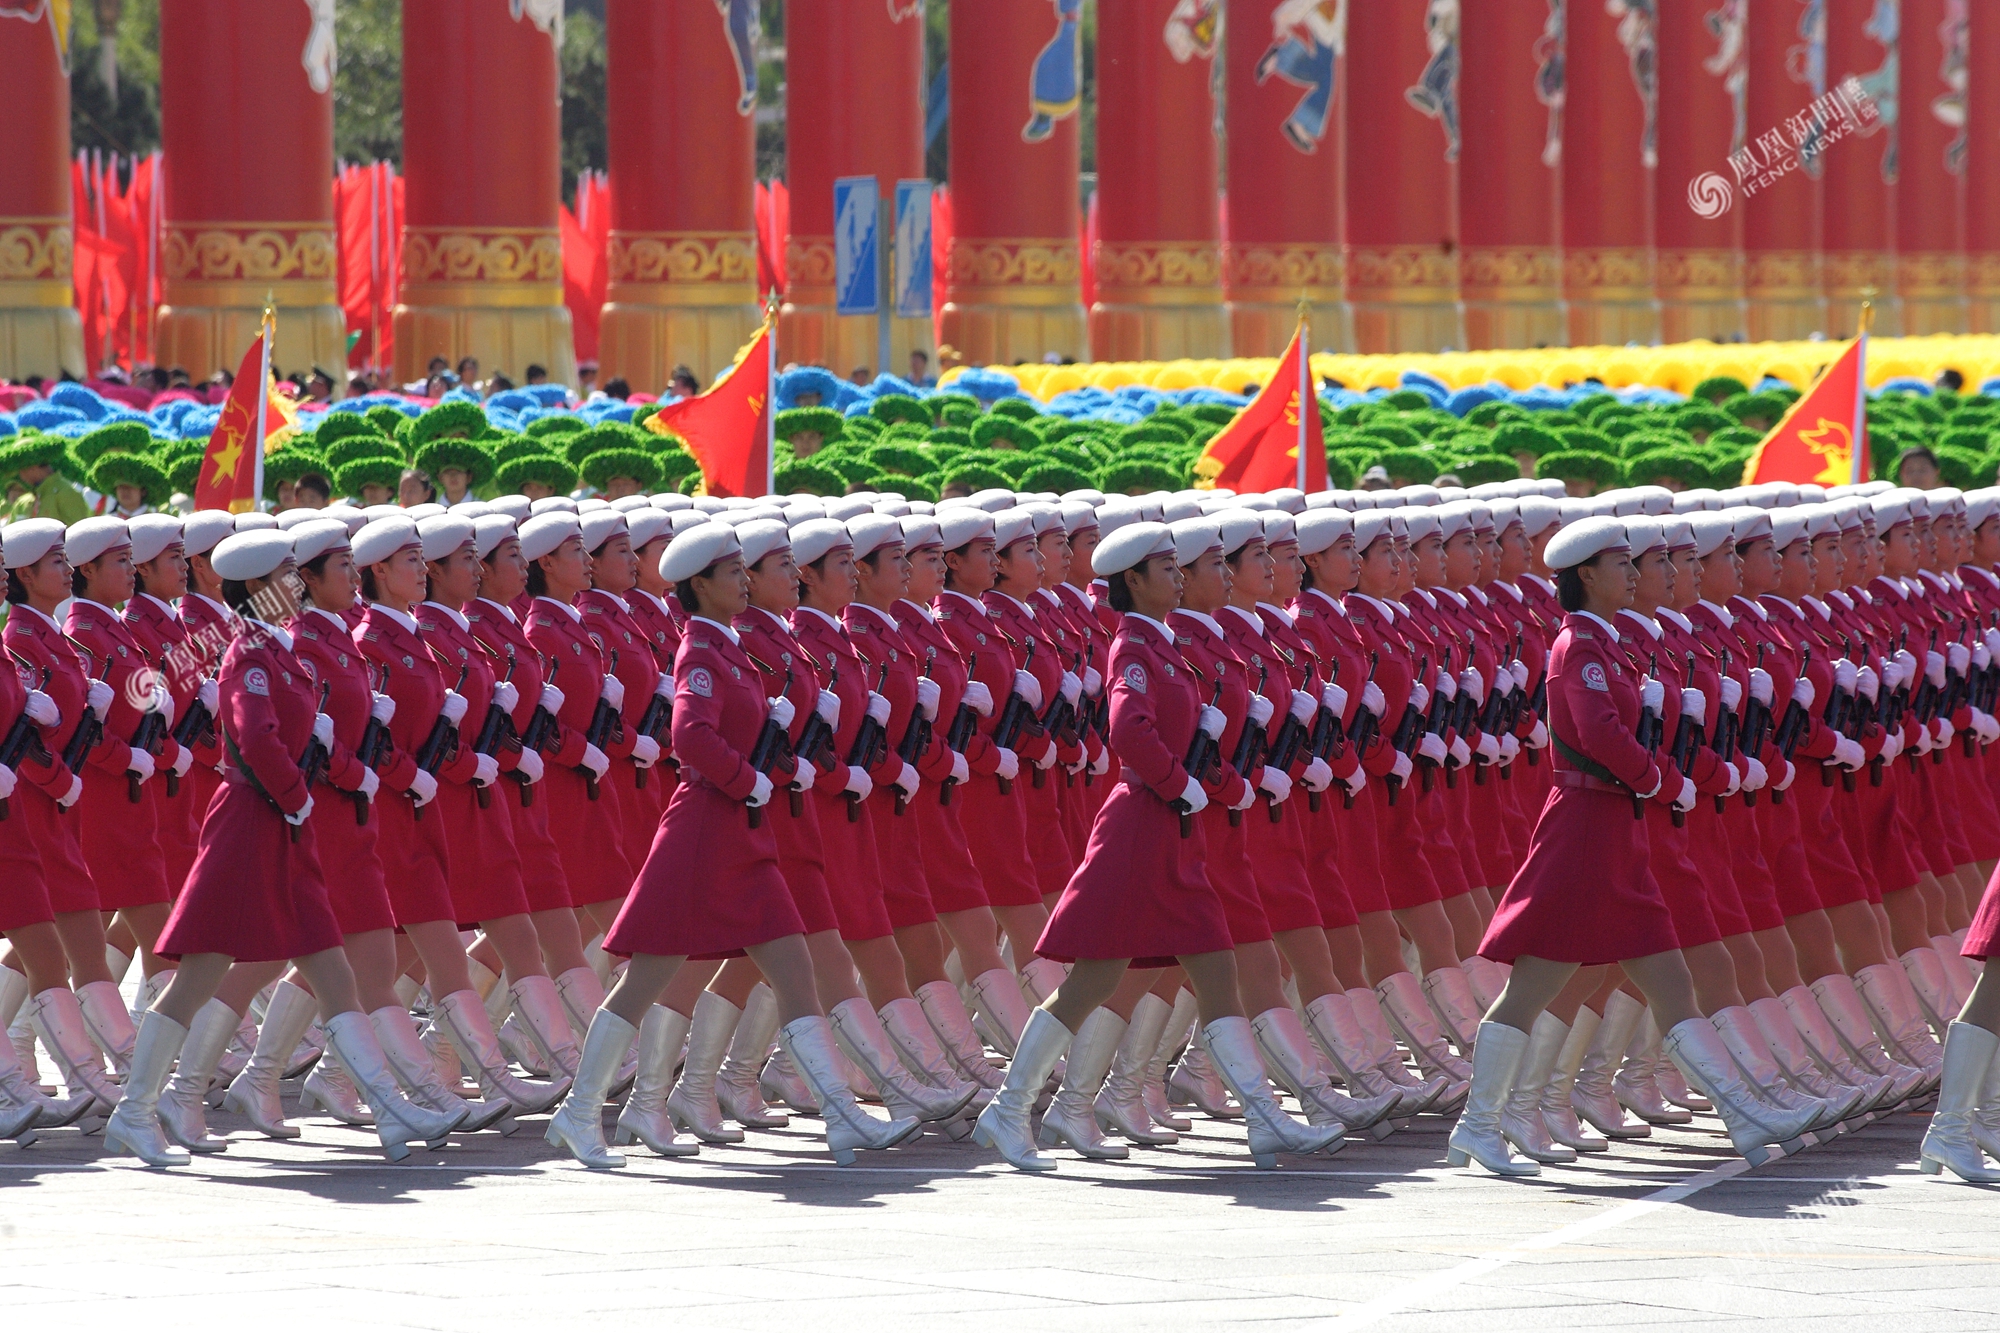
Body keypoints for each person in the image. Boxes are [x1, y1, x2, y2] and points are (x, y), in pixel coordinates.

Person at [1451, 516, 1824, 1176]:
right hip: (1586, 829)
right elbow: (1598, 732)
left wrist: (1658, 779)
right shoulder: (1580, 647)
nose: (1633, 571)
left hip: (1615, 827)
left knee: (1672, 980)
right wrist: (1659, 779)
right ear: (1585, 575)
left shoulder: (1607, 644)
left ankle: (1743, 1113)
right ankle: (1479, 1125)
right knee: (1532, 985)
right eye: (1619, 563)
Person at [544, 521, 922, 1168]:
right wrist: (749, 778)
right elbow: (691, 735)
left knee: (795, 968)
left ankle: (841, 1114)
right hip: (703, 835)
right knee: (647, 980)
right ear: (700, 586)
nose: (744, 582)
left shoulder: (730, 648)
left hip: (741, 835)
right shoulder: (702, 652)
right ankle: (579, 1113)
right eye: (732, 574)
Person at [973, 520, 1343, 1172]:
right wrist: (1180, 785)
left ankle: (1264, 1117)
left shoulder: (1165, 647)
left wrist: (1217, 788)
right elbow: (1128, 728)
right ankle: (1009, 1111)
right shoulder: (1134, 649)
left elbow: (1187, 736)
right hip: (1142, 827)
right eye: (1165, 568)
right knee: (1093, 979)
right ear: (1134, 580)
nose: (1178, 576)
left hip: (1172, 827)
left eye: (1178, 565)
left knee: (1216, 970)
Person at [107, 528, 463, 1166]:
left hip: (284, 826)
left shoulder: (284, 652)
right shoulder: (248, 651)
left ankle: (388, 1108)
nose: (300, 586)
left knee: (334, 971)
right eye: (289, 577)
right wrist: (297, 794)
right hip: (251, 823)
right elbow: (255, 734)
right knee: (197, 977)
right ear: (262, 589)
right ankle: (135, 1112)